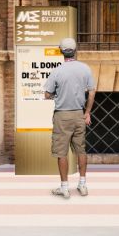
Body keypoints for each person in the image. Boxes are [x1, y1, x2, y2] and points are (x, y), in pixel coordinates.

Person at [43, 37, 95, 199]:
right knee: (81, 150)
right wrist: (87, 112)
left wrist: (55, 94)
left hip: (62, 116)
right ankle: (83, 185)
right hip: (79, 114)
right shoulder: (85, 69)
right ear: (75, 50)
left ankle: (64, 187)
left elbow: (47, 94)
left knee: (61, 152)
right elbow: (92, 91)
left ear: (61, 52)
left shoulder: (57, 71)